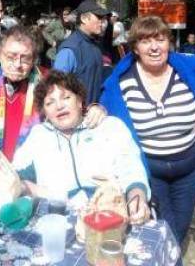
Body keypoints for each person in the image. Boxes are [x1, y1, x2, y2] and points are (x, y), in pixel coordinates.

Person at [99, 15, 195, 244]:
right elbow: (106, 113)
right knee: (162, 229)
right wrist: (94, 108)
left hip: (188, 170)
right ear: (135, 48)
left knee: (179, 229)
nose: (154, 47)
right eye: (145, 41)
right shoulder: (122, 81)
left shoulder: (191, 70)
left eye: (160, 39)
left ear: (168, 42)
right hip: (151, 171)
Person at [0, 26, 107, 162]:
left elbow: (73, 111)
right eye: (11, 56)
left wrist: (94, 109)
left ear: (34, 59)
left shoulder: (47, 79)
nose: (17, 64)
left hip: (34, 176)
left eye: (25, 58)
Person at [13, 70, 150, 224]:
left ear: (79, 101)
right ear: (44, 112)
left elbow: (131, 168)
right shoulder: (38, 136)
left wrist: (137, 197)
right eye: (50, 102)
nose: (59, 106)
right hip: (58, 218)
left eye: (66, 98)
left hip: (110, 214)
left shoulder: (109, 127)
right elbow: (16, 175)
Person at [53, 0, 109, 104]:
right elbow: (58, 87)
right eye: (99, 17)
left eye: (103, 18)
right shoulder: (70, 49)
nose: (102, 22)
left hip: (95, 113)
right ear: (84, 19)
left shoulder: (96, 45)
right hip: (78, 116)